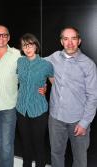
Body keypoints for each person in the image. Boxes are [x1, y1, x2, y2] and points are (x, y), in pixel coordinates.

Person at [45, 27, 97, 167]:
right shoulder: (54, 57)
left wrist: (84, 123)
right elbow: (37, 64)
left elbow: (93, 96)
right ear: (61, 41)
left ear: (79, 41)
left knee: (80, 160)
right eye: (66, 39)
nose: (70, 43)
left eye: (73, 38)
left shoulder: (88, 65)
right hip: (55, 118)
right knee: (56, 155)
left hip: (78, 121)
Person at [16, 33, 54, 167]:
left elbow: (54, 84)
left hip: (38, 110)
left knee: (39, 146)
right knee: (26, 145)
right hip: (21, 110)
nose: (28, 48)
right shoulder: (19, 62)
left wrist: (46, 89)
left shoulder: (46, 65)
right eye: (24, 45)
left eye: (30, 45)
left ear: (36, 46)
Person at [0, 25, 21, 167]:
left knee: (6, 144)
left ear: (9, 37)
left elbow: (27, 76)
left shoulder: (17, 55)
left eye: (4, 35)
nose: (1, 38)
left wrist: (42, 86)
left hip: (10, 106)